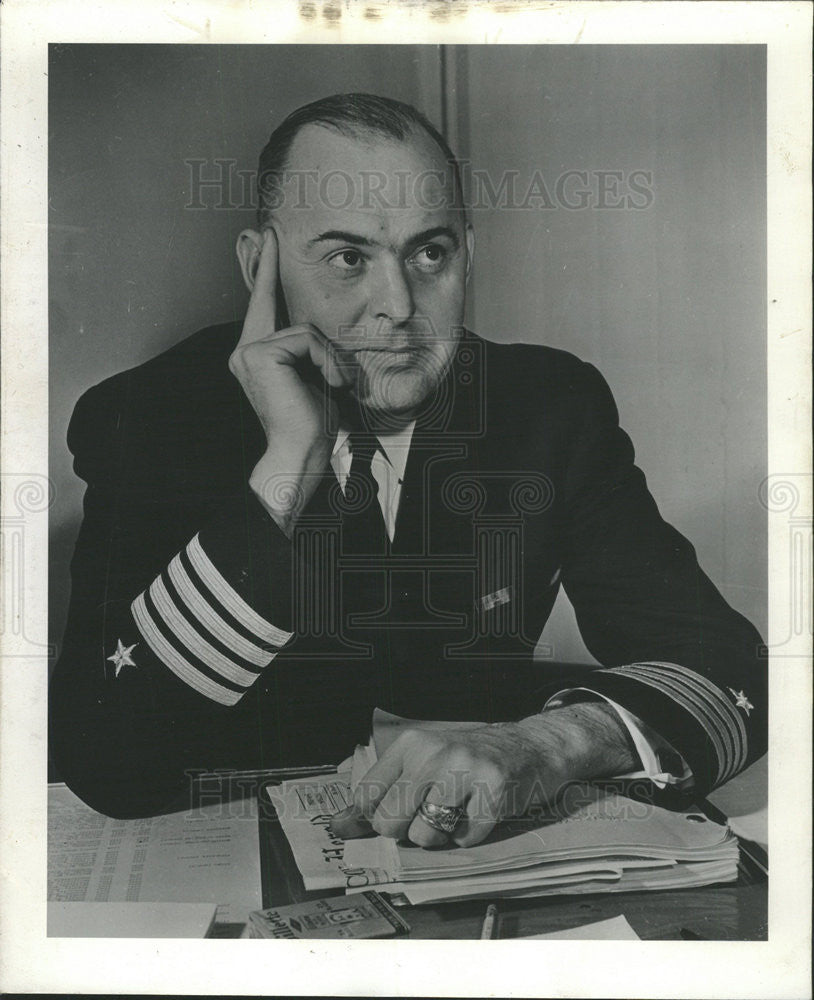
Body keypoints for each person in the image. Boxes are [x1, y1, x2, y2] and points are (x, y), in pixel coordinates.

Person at [49, 93, 766, 848]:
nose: (397, 306)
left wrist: (546, 745)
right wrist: (287, 463)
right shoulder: (151, 417)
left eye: (430, 252)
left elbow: (729, 667)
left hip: (482, 856)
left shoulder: (548, 407)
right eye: (347, 258)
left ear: (467, 256)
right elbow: (104, 760)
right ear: (259, 267)